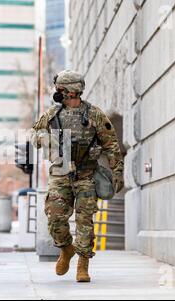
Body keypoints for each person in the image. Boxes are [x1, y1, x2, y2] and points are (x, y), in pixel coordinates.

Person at [30, 70, 124, 283]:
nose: (58, 93)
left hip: (86, 174)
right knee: (54, 219)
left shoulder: (94, 114)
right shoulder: (52, 115)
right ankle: (66, 249)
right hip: (61, 173)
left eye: (61, 89)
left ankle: (83, 263)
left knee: (85, 220)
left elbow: (111, 144)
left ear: (70, 90)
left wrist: (117, 171)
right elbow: (33, 135)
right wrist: (48, 139)